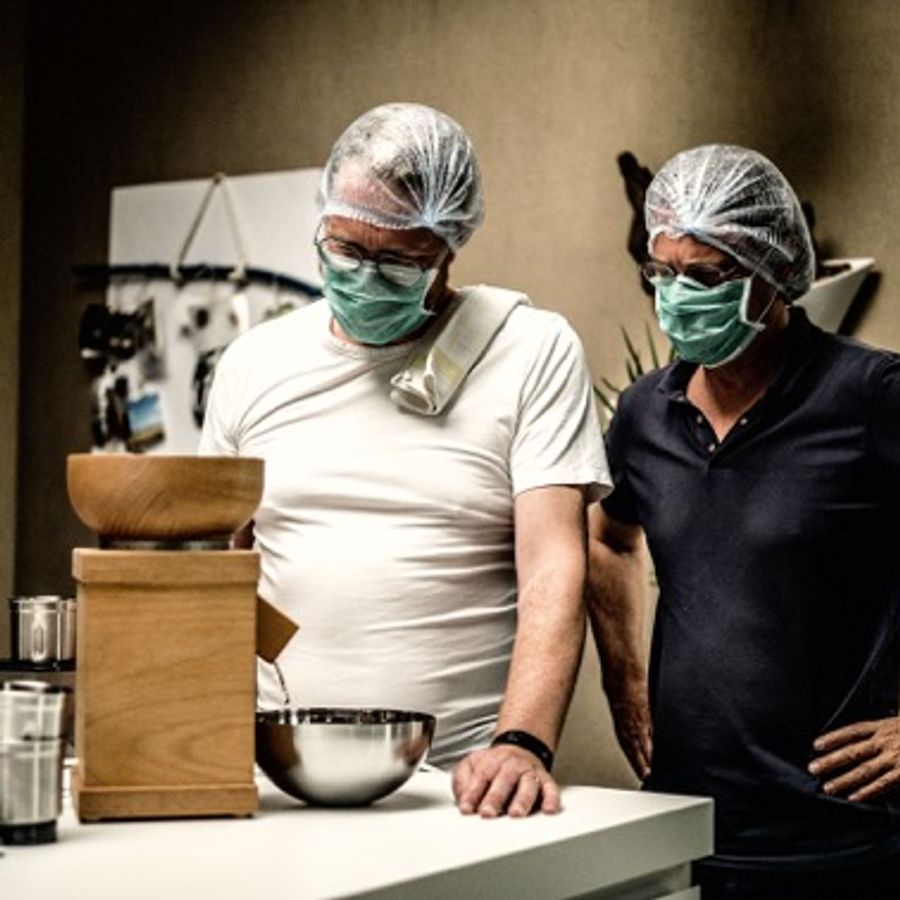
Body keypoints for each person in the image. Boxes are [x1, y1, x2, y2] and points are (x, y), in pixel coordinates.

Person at [200, 102, 611, 818]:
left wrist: (522, 743)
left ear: (448, 248)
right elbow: (215, 571)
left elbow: (553, 565)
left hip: (461, 785)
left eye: (398, 260)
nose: (365, 276)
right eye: (345, 249)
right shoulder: (253, 363)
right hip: (276, 774)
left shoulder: (529, 351)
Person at [587, 144, 900, 898]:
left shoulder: (870, 395)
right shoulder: (644, 413)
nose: (677, 296)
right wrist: (624, 683)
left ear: (776, 271)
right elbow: (609, 539)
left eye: (707, 276)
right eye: (662, 273)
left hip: (840, 835)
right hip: (684, 821)